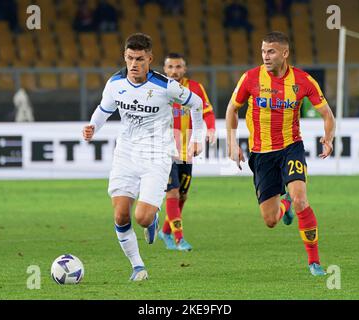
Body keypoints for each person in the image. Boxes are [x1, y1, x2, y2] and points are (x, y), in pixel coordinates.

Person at [82, 33, 204, 281]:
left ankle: (152, 219)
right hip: (125, 153)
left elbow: (198, 103)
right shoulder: (115, 84)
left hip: (156, 155)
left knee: (142, 217)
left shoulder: (166, 86)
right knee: (120, 215)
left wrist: (197, 138)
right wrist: (93, 127)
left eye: (139, 58)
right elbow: (104, 109)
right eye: (129, 58)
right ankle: (137, 266)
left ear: (150, 58)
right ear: (124, 57)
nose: (134, 64)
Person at [225, 31, 335, 276]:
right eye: (263, 51)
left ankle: (314, 262)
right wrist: (232, 143)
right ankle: (284, 205)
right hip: (261, 154)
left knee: (301, 198)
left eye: (271, 51)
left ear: (285, 53)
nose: (265, 56)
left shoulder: (303, 80)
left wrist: (328, 138)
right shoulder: (250, 78)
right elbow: (232, 108)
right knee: (271, 220)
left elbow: (327, 114)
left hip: (290, 147)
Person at [157, 53, 216, 251]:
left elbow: (207, 112)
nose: (174, 71)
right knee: (172, 192)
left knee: (182, 195)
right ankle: (179, 238)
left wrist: (211, 130)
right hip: (165, 149)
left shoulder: (195, 88)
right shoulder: (158, 88)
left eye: (178, 67)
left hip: (186, 150)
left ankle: (165, 231)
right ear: (164, 69)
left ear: (185, 69)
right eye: (170, 67)